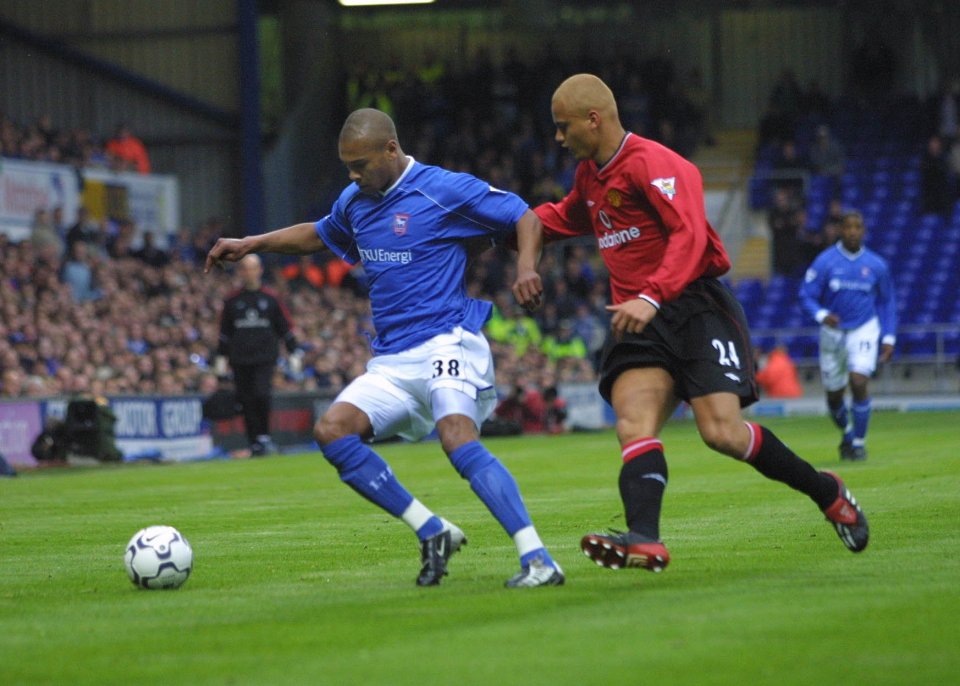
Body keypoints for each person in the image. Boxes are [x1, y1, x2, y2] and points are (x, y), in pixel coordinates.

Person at [523, 74, 869, 576]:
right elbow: (541, 220)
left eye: (562, 127)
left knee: (722, 433)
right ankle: (645, 538)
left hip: (693, 307)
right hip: (639, 321)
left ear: (593, 120)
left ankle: (827, 492)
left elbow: (689, 238)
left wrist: (650, 294)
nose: (557, 138)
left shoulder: (659, 165)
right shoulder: (589, 179)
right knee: (633, 425)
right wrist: (510, 250)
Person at [205, 108, 563, 588]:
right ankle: (432, 529)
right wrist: (252, 243)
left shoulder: (442, 189)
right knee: (332, 431)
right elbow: (319, 233)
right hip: (394, 359)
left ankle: (538, 558)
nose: (352, 175)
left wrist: (525, 269)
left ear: (391, 150)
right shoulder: (356, 199)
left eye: (360, 164)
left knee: (457, 437)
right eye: (346, 166)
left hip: (446, 340)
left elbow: (523, 215)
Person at [799, 210, 897, 461]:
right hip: (832, 334)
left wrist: (888, 337)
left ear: (863, 230)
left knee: (859, 381)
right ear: (840, 230)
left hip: (864, 328)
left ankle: (858, 443)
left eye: (858, 227)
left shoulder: (876, 265)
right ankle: (848, 432)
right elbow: (806, 295)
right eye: (848, 227)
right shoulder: (825, 261)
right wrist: (822, 315)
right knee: (834, 396)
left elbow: (887, 303)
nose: (853, 231)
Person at [214, 254, 301, 456]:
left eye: (252, 268)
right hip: (239, 358)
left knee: (261, 394)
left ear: (259, 270)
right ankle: (254, 441)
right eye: (245, 268)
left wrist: (294, 351)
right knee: (246, 400)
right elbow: (224, 333)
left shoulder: (271, 298)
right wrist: (220, 360)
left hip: (264, 357)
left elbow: (285, 327)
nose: (249, 272)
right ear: (240, 272)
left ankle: (264, 436)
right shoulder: (232, 300)